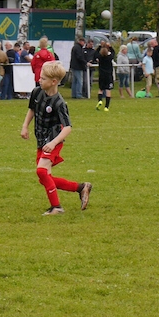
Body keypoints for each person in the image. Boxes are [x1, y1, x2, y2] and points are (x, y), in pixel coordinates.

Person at [20, 61, 92, 215]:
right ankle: (81, 187)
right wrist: (25, 126)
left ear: (53, 82)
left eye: (43, 78)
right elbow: (32, 109)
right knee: (44, 178)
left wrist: (53, 143)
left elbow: (67, 127)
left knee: (41, 172)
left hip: (53, 141)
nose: (39, 80)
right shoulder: (36, 92)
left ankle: (57, 207)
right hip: (41, 141)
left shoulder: (59, 103)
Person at [94, 41, 114, 111]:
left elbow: (95, 53)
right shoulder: (109, 57)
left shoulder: (100, 57)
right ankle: (106, 107)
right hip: (108, 75)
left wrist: (100, 46)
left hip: (101, 75)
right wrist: (110, 47)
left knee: (101, 89)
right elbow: (113, 53)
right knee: (108, 90)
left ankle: (100, 100)